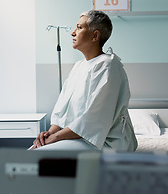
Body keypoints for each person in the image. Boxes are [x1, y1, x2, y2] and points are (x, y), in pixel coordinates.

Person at [30, 10, 137, 151]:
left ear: (95, 36)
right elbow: (63, 108)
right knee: (32, 151)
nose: (73, 33)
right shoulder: (79, 66)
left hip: (104, 141)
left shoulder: (108, 65)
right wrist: (50, 133)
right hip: (77, 135)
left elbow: (94, 119)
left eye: (79, 27)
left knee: (37, 157)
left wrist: (55, 138)